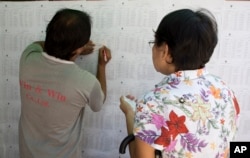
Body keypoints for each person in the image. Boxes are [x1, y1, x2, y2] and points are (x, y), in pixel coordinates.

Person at [120, 8, 240, 158]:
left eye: (154, 42)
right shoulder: (225, 90)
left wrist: (130, 114)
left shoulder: (152, 102)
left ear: (165, 51)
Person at [18, 8, 111, 158]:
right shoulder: (86, 82)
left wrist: (71, 46)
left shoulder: (28, 58)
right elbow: (98, 103)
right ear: (78, 49)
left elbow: (37, 44)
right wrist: (101, 66)